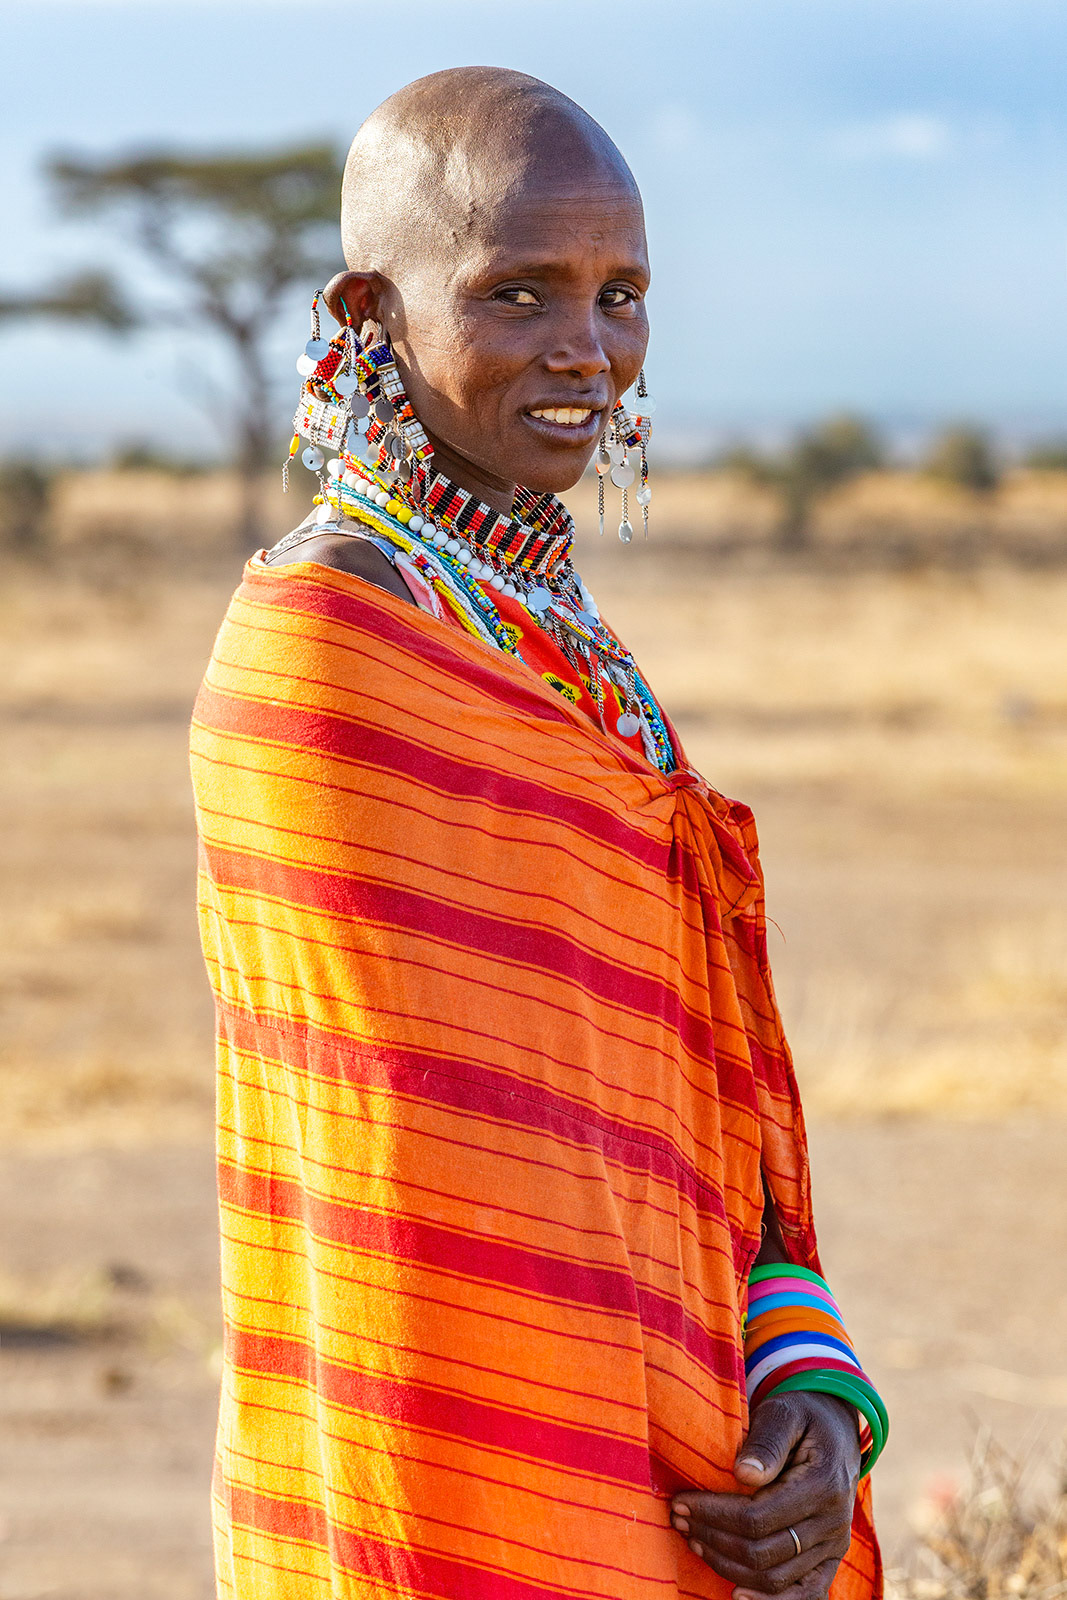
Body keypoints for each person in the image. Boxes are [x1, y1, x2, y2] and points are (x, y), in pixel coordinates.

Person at [191, 66, 885, 1600]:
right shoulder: (321, 656)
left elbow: (698, 1101)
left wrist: (811, 1392)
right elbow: (434, 1168)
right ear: (368, 312)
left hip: (687, 1482)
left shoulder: (568, 650)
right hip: (436, 1484)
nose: (589, 351)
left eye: (622, 294)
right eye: (520, 293)